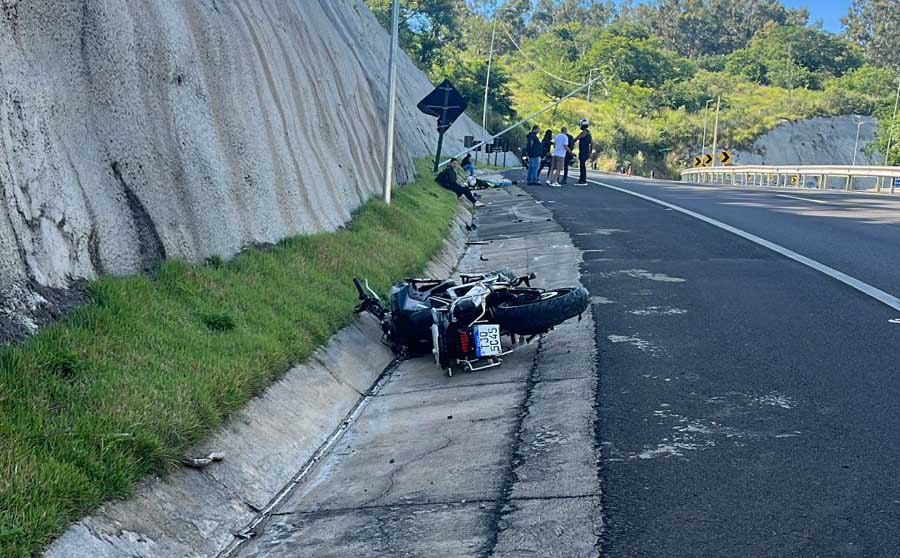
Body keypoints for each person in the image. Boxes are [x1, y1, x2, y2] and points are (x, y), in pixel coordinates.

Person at [574, 119, 593, 185]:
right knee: (582, 165)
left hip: (583, 151)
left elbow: (577, 138)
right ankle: (582, 179)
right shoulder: (589, 132)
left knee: (582, 165)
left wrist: (572, 142)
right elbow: (592, 143)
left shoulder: (584, 132)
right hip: (586, 151)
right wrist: (590, 152)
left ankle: (583, 180)